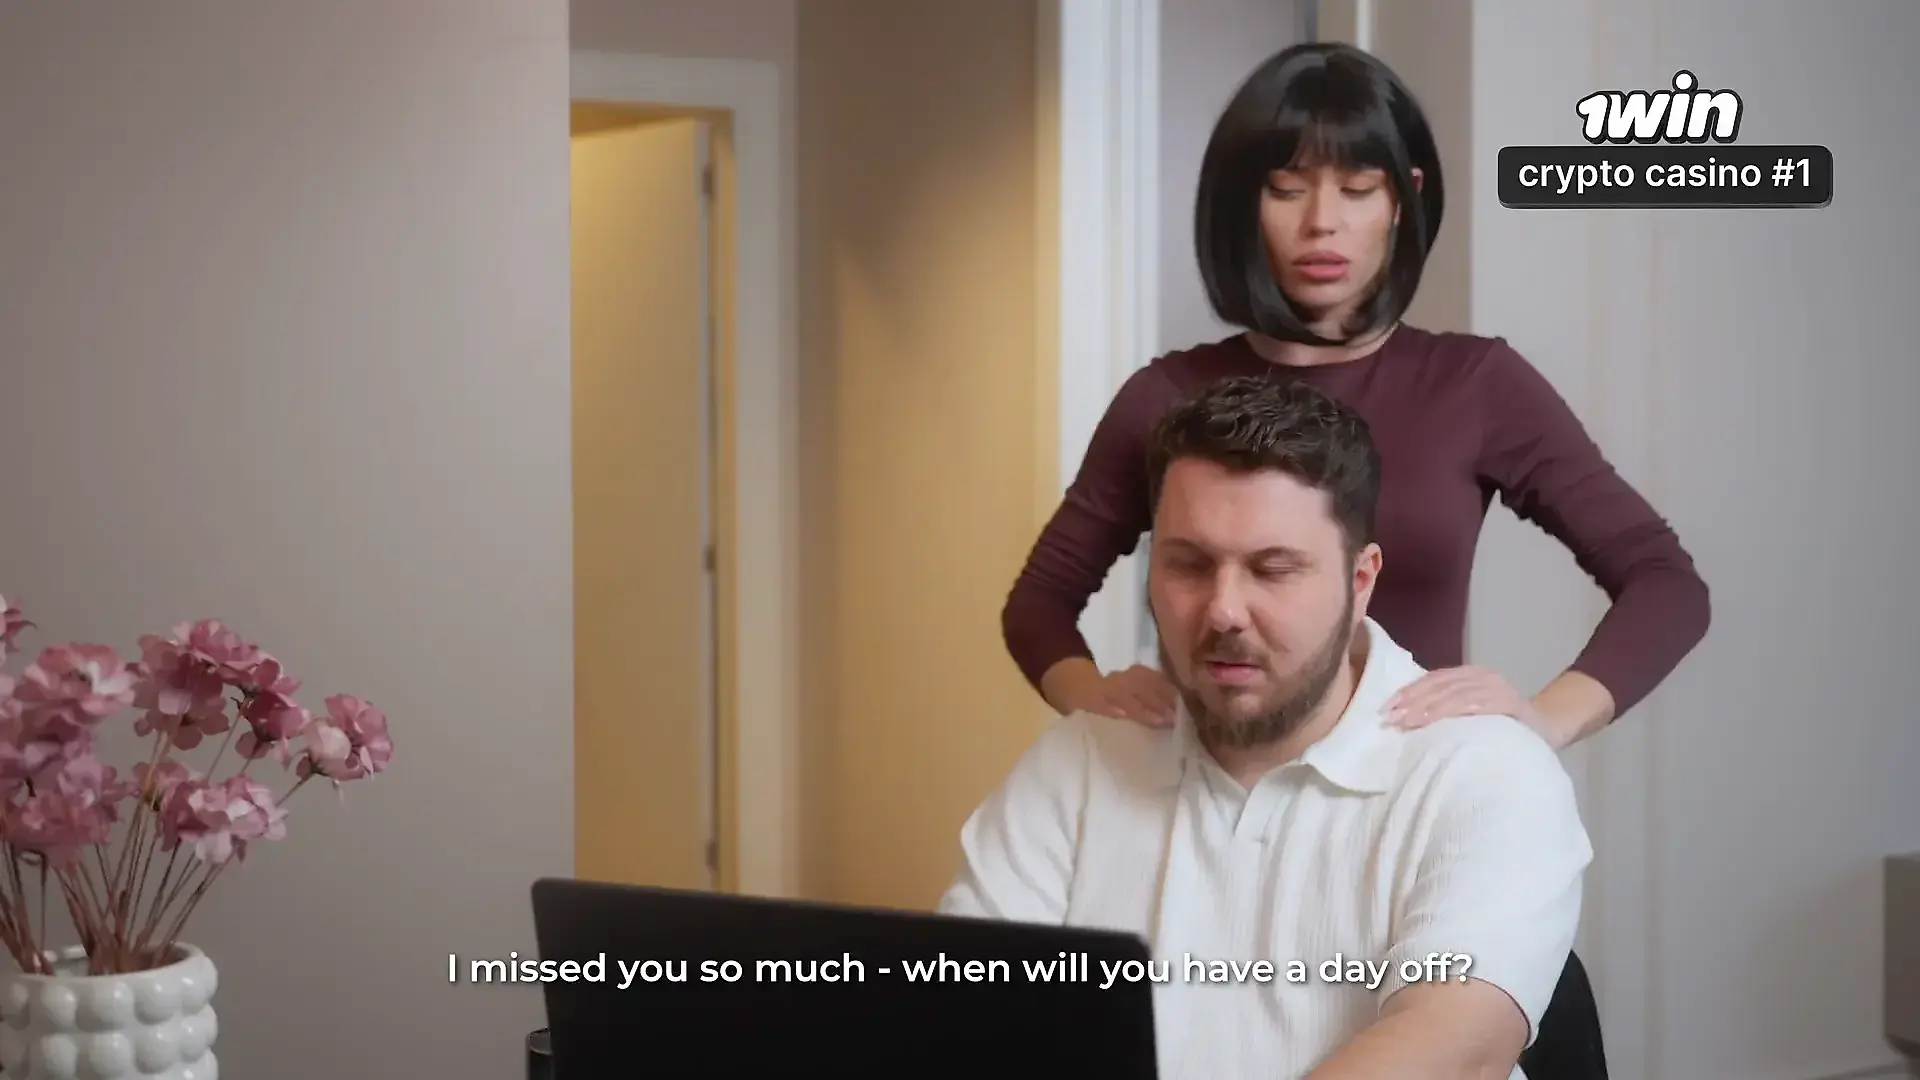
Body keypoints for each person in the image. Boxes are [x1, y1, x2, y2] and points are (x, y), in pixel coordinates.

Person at [1001, 42, 1707, 1074]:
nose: (1321, 223)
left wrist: (1539, 722)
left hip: (1409, 831)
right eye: (1286, 188)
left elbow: (1664, 581)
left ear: (1404, 199)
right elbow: (1039, 604)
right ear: (1244, 205)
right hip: (1219, 821)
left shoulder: (1475, 386)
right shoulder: (1168, 401)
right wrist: (1104, 717)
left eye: (1357, 187)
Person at [943, 377, 1592, 1078]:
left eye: (1272, 570)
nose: (1223, 611)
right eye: (1188, 565)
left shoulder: (1483, 772)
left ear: (1360, 581)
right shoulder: (1080, 762)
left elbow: (1454, 1045)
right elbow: (967, 1016)